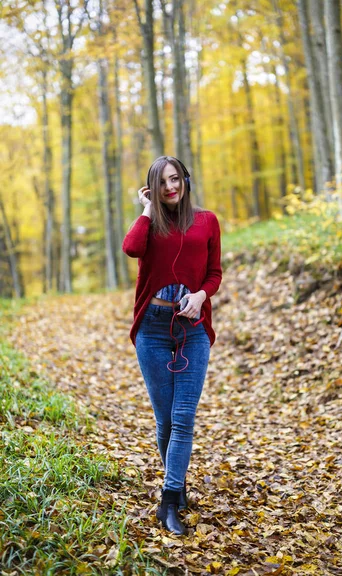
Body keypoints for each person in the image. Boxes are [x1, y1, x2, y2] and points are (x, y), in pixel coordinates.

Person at [122, 155, 222, 535]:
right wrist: (147, 211)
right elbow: (131, 249)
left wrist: (200, 295)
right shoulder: (149, 225)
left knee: (183, 419)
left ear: (185, 179)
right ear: (154, 188)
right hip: (152, 330)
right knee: (165, 421)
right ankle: (176, 486)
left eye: (175, 179)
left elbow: (215, 273)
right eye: (162, 182)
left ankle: (169, 500)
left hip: (192, 329)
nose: (170, 187)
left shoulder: (207, 221)